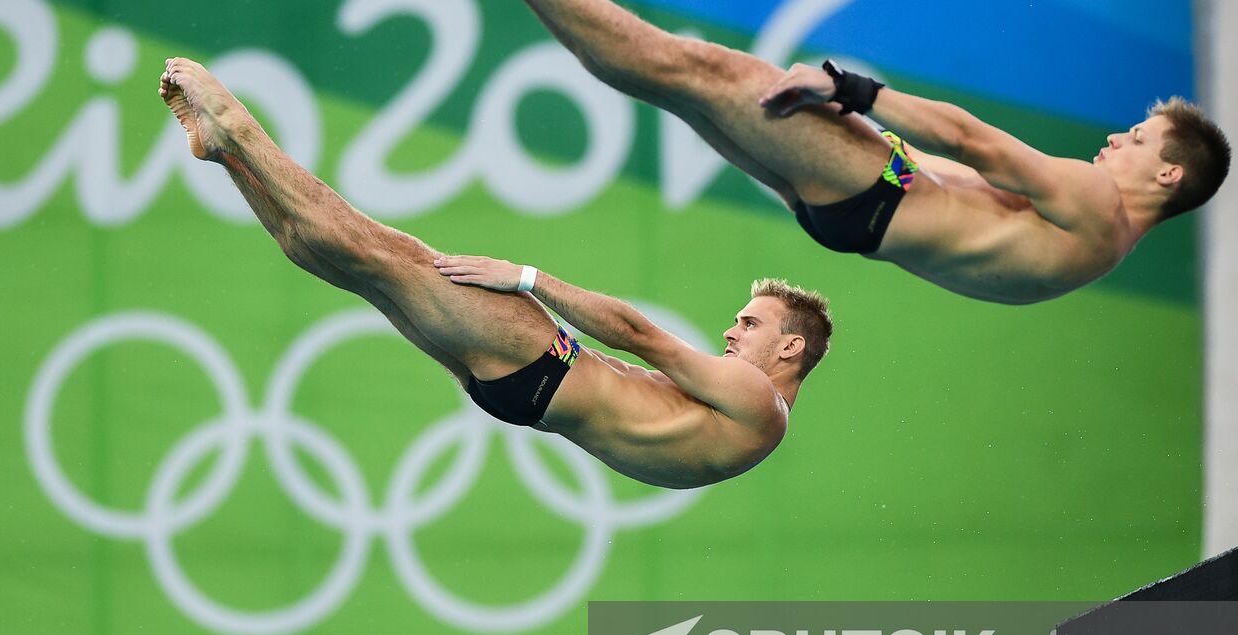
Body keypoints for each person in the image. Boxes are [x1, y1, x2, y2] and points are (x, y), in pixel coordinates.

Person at [418, 0, 1231, 305]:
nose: (1116, 142)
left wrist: (851, 87)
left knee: (682, 69)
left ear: (1170, 176)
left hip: (877, 189)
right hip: (862, 213)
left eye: (1137, 138)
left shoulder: (1096, 203)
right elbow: (971, 194)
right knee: (675, 85)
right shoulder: (1101, 249)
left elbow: (975, 141)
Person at [158, 58, 831, 489]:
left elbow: (636, 334)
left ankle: (240, 130)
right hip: (526, 394)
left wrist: (529, 278)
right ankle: (226, 157)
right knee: (350, 268)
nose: (731, 328)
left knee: (377, 252)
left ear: (791, 346)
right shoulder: (748, 429)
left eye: (751, 322)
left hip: (547, 363)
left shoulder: (758, 402)